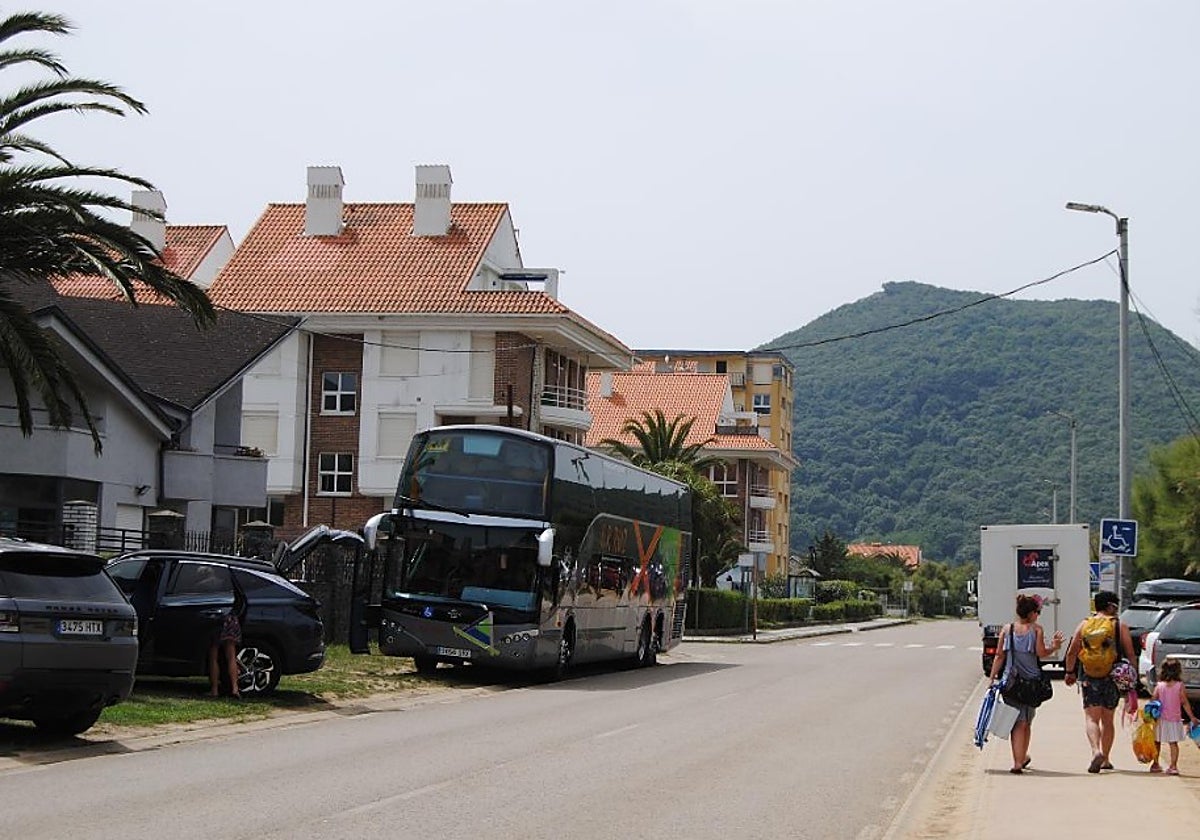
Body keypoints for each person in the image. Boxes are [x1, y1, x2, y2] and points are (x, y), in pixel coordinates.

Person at [987, 593, 1064, 773]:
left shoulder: (1007, 630)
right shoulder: (1036, 630)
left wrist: (991, 679)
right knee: (1025, 721)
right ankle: (1017, 762)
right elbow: (1041, 653)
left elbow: (999, 656)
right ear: (1030, 613)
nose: (1038, 614)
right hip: (1030, 683)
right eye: (1037, 611)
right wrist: (1055, 646)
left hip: (1010, 682)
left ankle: (1020, 758)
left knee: (1019, 721)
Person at [1063, 590, 1137, 773]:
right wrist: (1133, 677)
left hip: (1089, 676)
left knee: (1091, 718)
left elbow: (1072, 652)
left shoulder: (1084, 624)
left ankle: (1095, 751)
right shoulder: (1119, 625)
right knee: (1108, 719)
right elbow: (1130, 653)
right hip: (1112, 677)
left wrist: (1069, 672)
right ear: (1110, 606)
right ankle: (1106, 758)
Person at [1149, 658, 1196, 775]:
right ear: (1178, 671)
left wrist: (1149, 716)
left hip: (1160, 719)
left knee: (1157, 742)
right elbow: (1184, 702)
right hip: (1174, 719)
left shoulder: (1159, 686)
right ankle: (1173, 766)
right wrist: (1192, 717)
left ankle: (1155, 764)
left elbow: (1153, 700)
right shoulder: (1180, 686)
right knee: (1173, 743)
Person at [208, 587, 245, 698]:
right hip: (231, 618)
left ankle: (214, 689)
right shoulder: (230, 585)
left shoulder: (206, 586)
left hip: (216, 619)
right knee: (231, 656)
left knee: (213, 656)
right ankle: (235, 688)